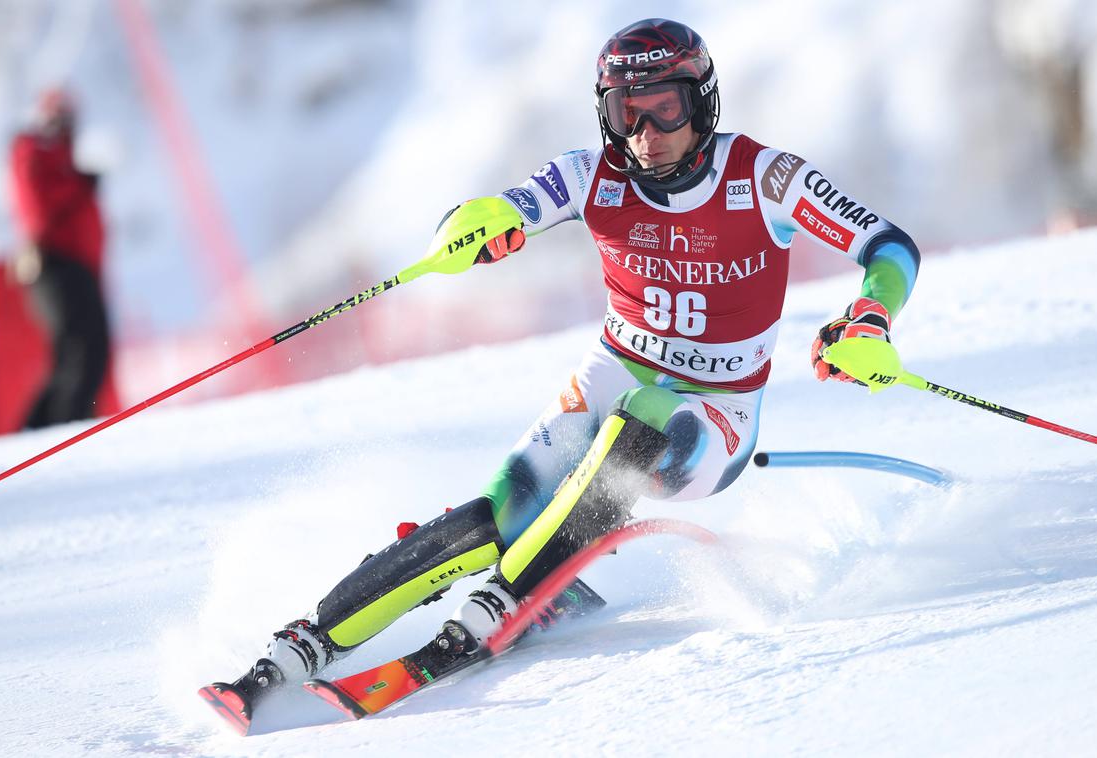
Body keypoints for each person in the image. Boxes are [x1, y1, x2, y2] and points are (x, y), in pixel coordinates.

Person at [216, 18, 920, 713]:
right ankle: (306, 642)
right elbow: (510, 206)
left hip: (716, 412)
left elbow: (889, 248)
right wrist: (480, 224)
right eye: (626, 111)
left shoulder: (763, 178)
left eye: (665, 107)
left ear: (702, 102)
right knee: (501, 509)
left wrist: (870, 318)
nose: (645, 132)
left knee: (642, 424)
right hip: (616, 368)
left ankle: (512, 599)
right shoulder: (594, 174)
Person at [7, 87, 111, 429]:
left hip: (79, 268)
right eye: (59, 117)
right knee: (81, 351)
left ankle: (52, 430)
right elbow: (38, 211)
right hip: (56, 265)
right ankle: (60, 430)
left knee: (84, 352)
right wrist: (78, 186)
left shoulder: (61, 159)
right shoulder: (33, 151)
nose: (67, 127)